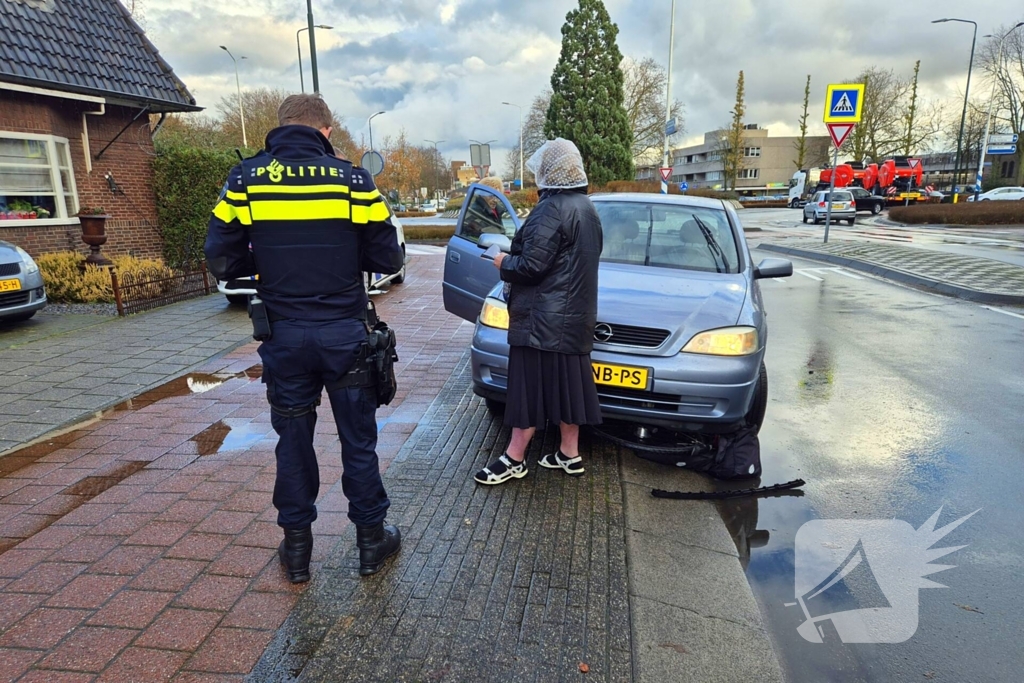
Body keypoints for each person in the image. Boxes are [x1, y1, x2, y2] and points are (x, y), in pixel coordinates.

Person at [204, 94, 404, 581]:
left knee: (292, 442)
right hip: (346, 335)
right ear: (327, 132)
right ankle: (371, 544)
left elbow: (221, 257)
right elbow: (389, 259)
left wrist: (269, 274)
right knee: (358, 442)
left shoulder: (244, 179)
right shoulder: (355, 180)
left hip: (285, 336)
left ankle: (297, 553)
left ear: (279, 127)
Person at [474, 138, 603, 485]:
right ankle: (569, 453)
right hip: (573, 320)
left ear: (550, 171)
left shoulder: (552, 208)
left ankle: (514, 458)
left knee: (527, 392)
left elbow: (531, 266)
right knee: (569, 387)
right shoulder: (588, 208)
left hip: (540, 322)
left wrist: (502, 260)